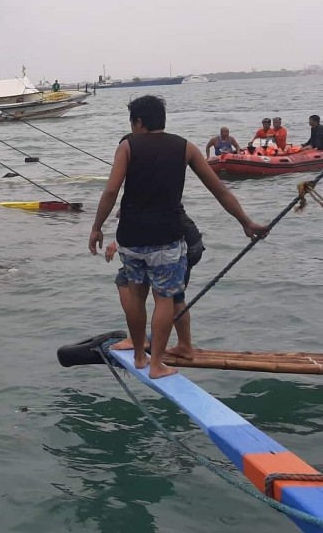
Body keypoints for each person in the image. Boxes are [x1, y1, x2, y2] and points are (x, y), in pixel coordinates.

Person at [88, 95, 268, 379]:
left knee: (136, 293)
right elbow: (220, 190)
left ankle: (138, 355)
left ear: (138, 122)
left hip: (130, 237)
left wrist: (97, 227)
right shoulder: (186, 147)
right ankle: (157, 363)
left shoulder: (127, 146)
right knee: (164, 298)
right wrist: (245, 222)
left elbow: (111, 191)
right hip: (166, 237)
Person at [105, 204, 204, 361]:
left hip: (174, 243)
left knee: (124, 281)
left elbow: (128, 216)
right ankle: (185, 346)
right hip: (191, 241)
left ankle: (138, 339)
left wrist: (116, 241)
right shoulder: (165, 185)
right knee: (175, 296)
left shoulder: (138, 194)